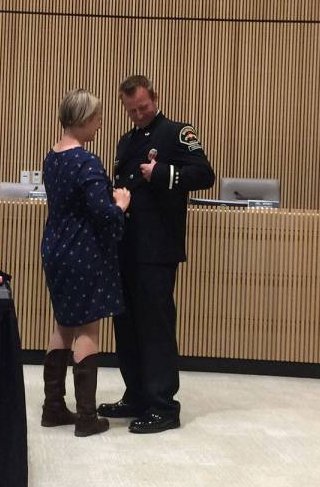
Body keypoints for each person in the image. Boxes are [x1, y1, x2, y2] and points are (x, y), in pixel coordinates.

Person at [99, 75, 215, 433]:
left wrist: (163, 172)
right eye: (132, 110)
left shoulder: (177, 132)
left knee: (156, 327)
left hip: (157, 248)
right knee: (127, 325)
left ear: (155, 98)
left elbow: (205, 174)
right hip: (126, 247)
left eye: (143, 107)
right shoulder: (125, 141)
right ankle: (136, 395)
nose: (138, 114)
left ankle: (164, 405)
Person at [40, 89, 131, 437]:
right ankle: (87, 417)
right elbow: (102, 214)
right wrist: (121, 203)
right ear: (81, 120)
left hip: (55, 248)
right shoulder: (86, 161)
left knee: (63, 324)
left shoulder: (52, 156)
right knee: (88, 328)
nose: (100, 123)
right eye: (96, 118)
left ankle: (53, 408)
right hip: (83, 252)